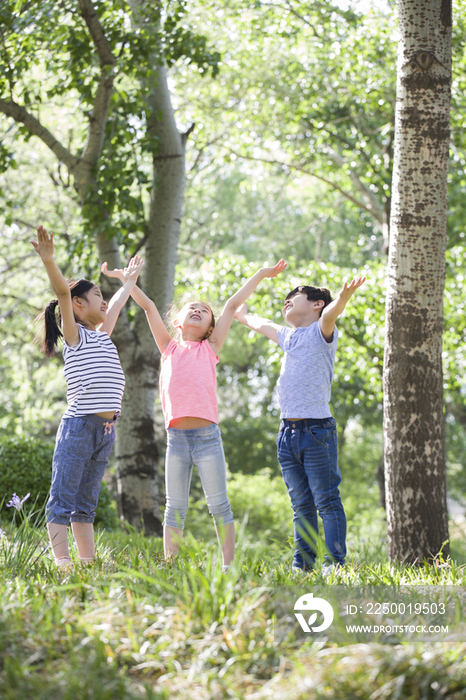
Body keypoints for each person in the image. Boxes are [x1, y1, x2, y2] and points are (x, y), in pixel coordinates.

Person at [102, 258, 287, 568]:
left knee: (219, 506)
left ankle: (228, 565)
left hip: (207, 439)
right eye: (193, 307)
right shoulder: (169, 347)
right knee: (174, 507)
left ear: (211, 329)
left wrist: (261, 274)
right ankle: (170, 563)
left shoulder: (209, 347)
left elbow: (231, 305)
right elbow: (148, 307)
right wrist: (129, 281)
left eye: (205, 311)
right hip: (176, 441)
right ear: (178, 321)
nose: (199, 310)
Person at [234, 275, 365, 575]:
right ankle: (303, 565)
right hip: (286, 435)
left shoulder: (321, 331)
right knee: (301, 505)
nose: (287, 301)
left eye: (295, 295)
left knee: (327, 501)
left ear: (317, 304)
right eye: (285, 300)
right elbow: (259, 323)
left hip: (317, 431)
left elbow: (333, 313)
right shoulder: (288, 336)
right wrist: (240, 315)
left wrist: (342, 297)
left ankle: (335, 564)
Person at [32, 225, 143, 568]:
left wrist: (129, 282)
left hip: (105, 431)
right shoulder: (75, 335)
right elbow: (63, 295)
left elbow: (120, 302)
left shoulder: (101, 336)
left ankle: (86, 560)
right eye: (97, 295)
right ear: (79, 304)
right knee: (64, 497)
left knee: (86, 501)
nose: (104, 301)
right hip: (79, 427)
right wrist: (50, 262)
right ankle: (62, 561)